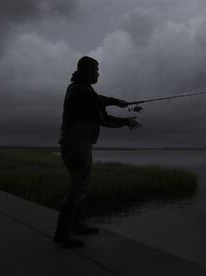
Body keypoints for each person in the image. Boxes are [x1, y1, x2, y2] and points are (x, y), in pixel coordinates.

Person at [53, 56, 141, 248]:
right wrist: (126, 121)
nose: (98, 74)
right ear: (88, 71)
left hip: (76, 142)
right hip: (77, 144)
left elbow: (99, 99)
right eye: (96, 70)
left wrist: (118, 102)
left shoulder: (78, 87)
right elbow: (104, 119)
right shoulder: (82, 91)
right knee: (78, 188)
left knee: (81, 185)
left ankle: (78, 225)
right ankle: (63, 234)